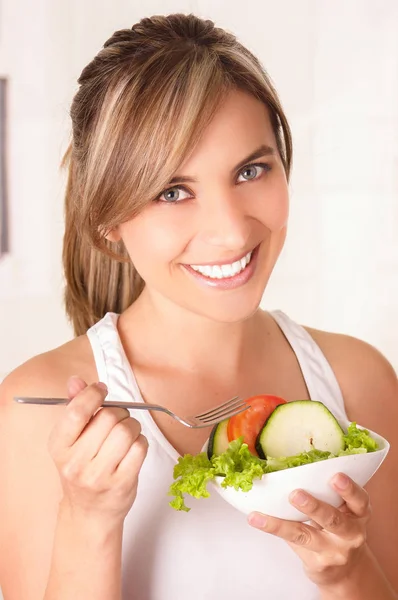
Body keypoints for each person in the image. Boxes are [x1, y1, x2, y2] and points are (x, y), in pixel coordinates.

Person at [0, 12, 397, 600]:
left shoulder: (358, 378)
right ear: (107, 217)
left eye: (251, 170)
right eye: (172, 192)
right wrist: (89, 518)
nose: (232, 232)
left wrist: (345, 573)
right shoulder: (38, 410)